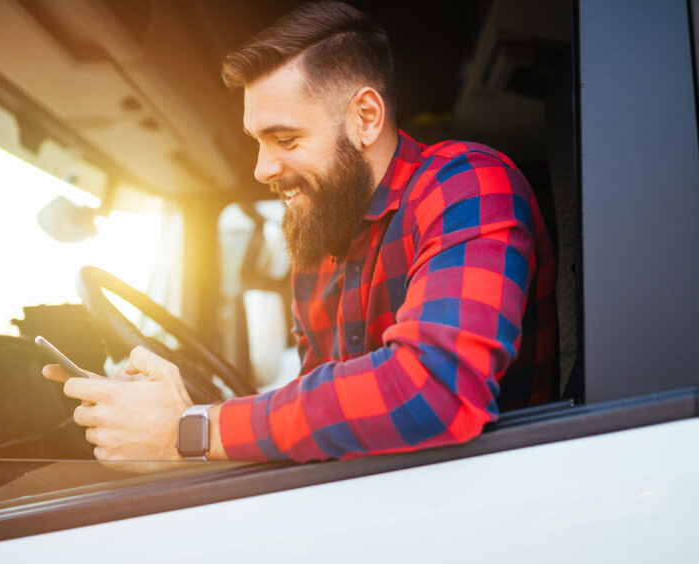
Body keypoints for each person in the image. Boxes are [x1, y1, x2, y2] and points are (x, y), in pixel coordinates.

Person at [43, 1, 557, 463]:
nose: (262, 169)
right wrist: (152, 416)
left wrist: (192, 430)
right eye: (257, 141)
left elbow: (434, 392)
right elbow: (322, 413)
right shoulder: (315, 250)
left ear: (366, 117)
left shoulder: (467, 183)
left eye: (284, 138)